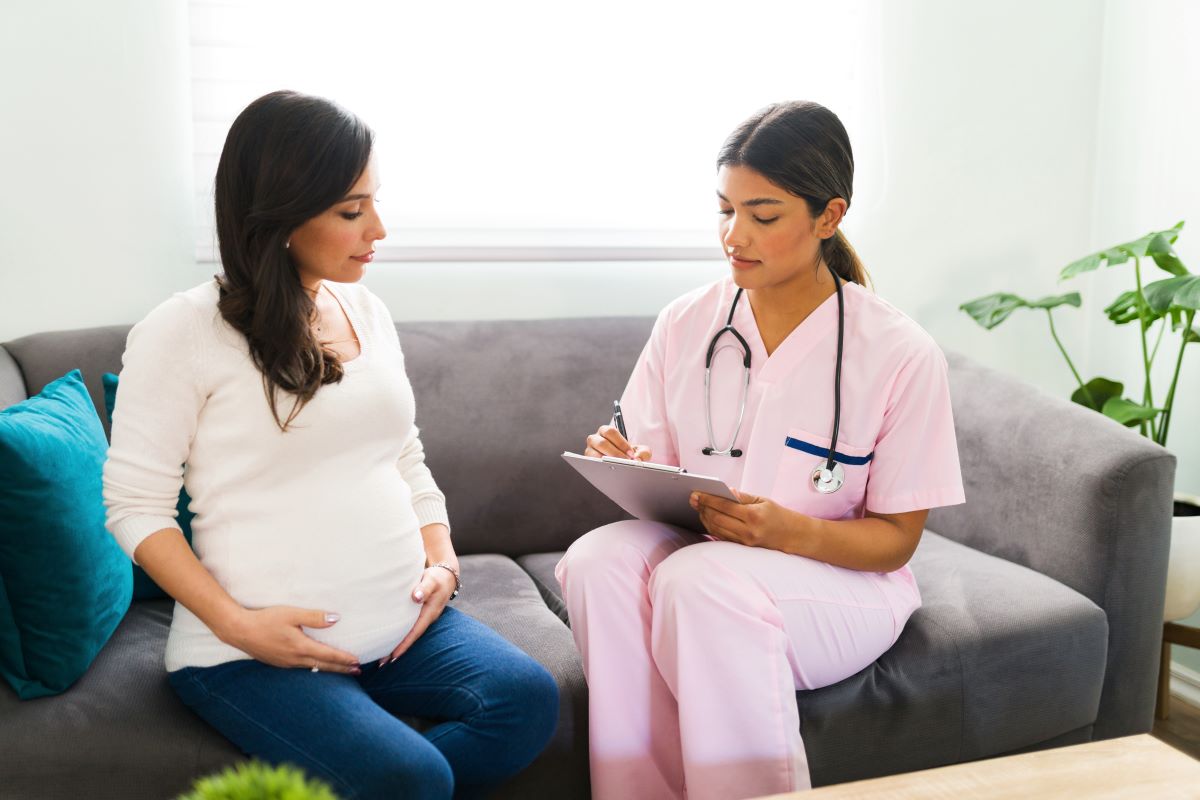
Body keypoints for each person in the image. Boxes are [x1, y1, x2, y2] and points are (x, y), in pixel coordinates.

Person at [102, 90, 558, 800]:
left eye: (373, 201)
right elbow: (135, 506)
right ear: (279, 218)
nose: (379, 227)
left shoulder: (366, 310)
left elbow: (403, 453)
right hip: (247, 653)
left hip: (405, 628)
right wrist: (240, 627)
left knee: (529, 701)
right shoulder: (181, 332)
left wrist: (442, 560)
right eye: (351, 211)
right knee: (411, 778)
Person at [555, 101, 966, 800]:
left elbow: (896, 542)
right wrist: (631, 466)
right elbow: (663, 474)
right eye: (724, 210)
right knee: (597, 560)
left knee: (701, 581)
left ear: (828, 217)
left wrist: (790, 532)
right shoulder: (687, 323)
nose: (734, 235)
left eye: (763, 215)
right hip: (710, 560)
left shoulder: (897, 353)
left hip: (841, 582)